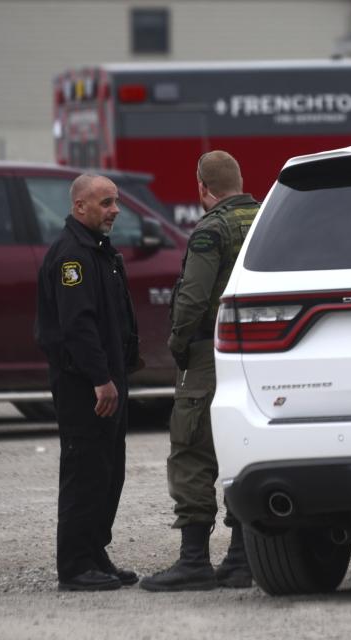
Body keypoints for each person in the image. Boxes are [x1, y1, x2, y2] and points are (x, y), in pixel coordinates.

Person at [140, 151, 259, 592]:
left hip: (209, 353)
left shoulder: (212, 228)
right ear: (241, 180)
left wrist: (177, 343)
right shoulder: (267, 217)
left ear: (202, 188)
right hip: (259, 352)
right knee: (240, 443)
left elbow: (193, 297)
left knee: (191, 449)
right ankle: (242, 557)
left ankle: (194, 561)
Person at [35, 174, 141, 591]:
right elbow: (77, 327)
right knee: (85, 472)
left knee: (108, 472)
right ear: (80, 207)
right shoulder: (72, 258)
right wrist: (100, 379)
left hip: (109, 380)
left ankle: (96, 555)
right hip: (85, 386)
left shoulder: (100, 252)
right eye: (106, 203)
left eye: (115, 202)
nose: (115, 209)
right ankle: (76, 566)